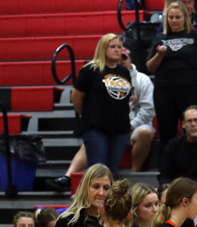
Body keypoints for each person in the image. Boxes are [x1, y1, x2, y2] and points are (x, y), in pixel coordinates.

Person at [47, 48, 155, 192]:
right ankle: (67, 177)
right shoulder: (102, 76)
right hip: (113, 123)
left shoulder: (142, 79)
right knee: (92, 138)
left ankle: (133, 174)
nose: (121, 61)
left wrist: (131, 124)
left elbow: (148, 109)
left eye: (124, 57)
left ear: (130, 59)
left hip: (136, 123)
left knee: (145, 133)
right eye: (118, 58)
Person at [148, 2, 197, 152]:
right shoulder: (160, 37)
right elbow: (150, 67)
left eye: (177, 17)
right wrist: (159, 55)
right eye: (171, 17)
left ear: (185, 18)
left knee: (192, 131)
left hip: (192, 90)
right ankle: (167, 165)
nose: (174, 20)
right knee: (166, 132)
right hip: (165, 91)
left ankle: (193, 163)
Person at [72, 34, 132, 178]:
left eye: (119, 47)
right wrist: (89, 115)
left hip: (120, 129)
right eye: (112, 47)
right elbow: (76, 97)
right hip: (96, 128)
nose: (117, 50)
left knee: (112, 172)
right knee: (97, 171)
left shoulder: (124, 72)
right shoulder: (90, 70)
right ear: (103, 48)